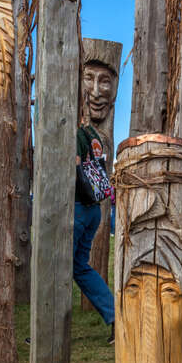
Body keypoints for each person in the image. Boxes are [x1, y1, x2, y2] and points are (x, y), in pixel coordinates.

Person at [74, 123, 115, 343]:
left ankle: (47, 332)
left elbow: (74, 167)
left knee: (57, 266)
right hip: (93, 209)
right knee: (79, 267)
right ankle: (115, 316)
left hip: (77, 208)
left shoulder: (74, 134)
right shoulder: (92, 134)